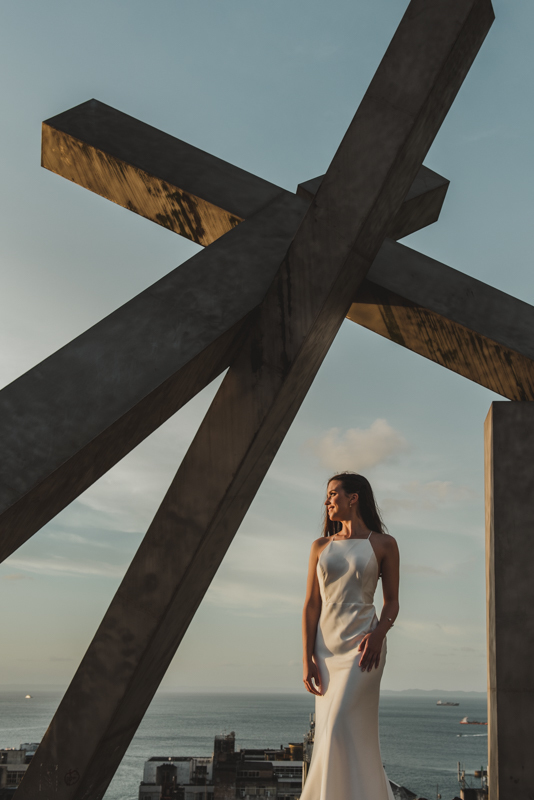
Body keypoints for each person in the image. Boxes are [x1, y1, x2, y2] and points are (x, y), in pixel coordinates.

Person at [301, 472, 400, 800]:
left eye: (332, 494)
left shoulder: (384, 544)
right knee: (329, 730)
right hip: (326, 651)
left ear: (353, 497)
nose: (327, 501)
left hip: (364, 647)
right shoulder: (320, 547)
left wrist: (379, 635)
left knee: (343, 724)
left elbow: (392, 602)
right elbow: (311, 605)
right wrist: (307, 658)